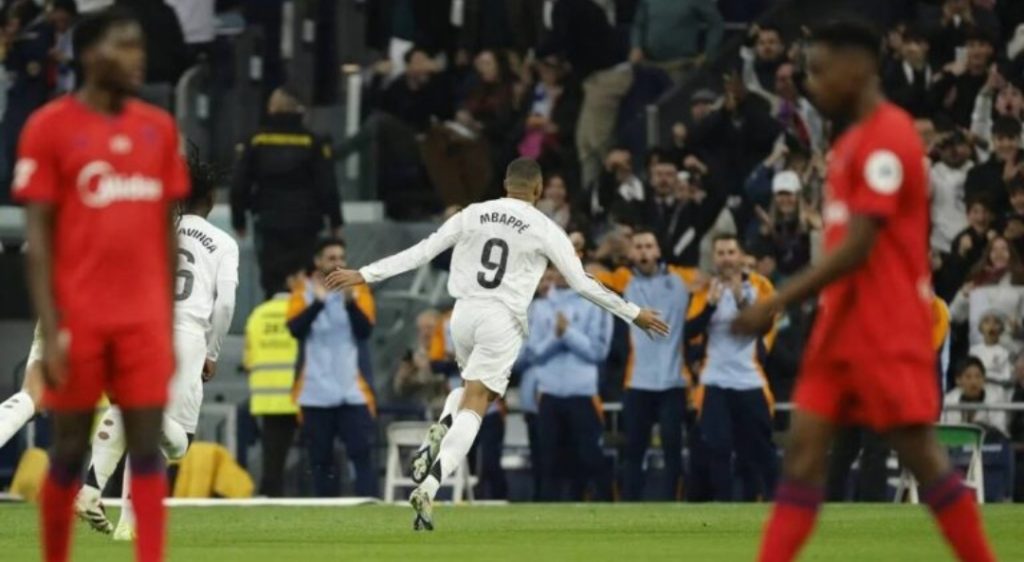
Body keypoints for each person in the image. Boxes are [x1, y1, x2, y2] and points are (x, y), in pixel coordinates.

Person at [731, 21, 995, 562]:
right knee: (803, 457)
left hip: (887, 326)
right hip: (839, 325)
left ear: (857, 68)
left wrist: (778, 299)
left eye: (820, 71)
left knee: (922, 457)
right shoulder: (849, 142)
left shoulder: (889, 137)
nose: (812, 85)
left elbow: (859, 244)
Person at [324, 158, 667, 530]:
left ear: (505, 184)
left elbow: (423, 251)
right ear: (538, 189)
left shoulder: (473, 213)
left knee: (466, 389)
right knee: (478, 402)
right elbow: (583, 283)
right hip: (501, 318)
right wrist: (633, 313)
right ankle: (430, 486)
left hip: (463, 314)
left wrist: (365, 273)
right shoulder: (546, 228)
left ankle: (439, 429)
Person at [14, 8, 189, 562]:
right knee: (68, 448)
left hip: (142, 321)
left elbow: (165, 234)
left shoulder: (158, 128)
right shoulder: (48, 128)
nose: (140, 58)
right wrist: (51, 333)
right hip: (80, 318)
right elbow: (38, 240)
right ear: (90, 54)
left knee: (146, 445)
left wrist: (164, 324)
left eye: (141, 47)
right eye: (126, 46)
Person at [75, 150, 239, 540]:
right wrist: (213, 351)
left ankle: (106, 503)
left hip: (142, 327)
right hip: (186, 336)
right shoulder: (222, 242)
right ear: (211, 197)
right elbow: (226, 303)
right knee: (177, 444)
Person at [595, 230, 696, 501]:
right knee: (633, 451)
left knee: (673, 451)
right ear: (631, 253)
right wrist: (601, 254)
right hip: (637, 382)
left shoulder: (681, 279)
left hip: (673, 382)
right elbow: (585, 276)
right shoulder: (622, 279)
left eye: (649, 246)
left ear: (658, 251)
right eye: (638, 247)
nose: (643, 252)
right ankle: (630, 506)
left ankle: (674, 506)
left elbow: (711, 278)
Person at [688, 234, 778, 502]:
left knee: (760, 449)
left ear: (740, 256)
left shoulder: (759, 286)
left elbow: (765, 327)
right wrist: (710, 306)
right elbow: (688, 331)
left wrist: (741, 301)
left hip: (749, 379)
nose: (726, 259)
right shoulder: (704, 289)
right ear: (713, 258)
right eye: (721, 253)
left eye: (730, 252)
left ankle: (771, 504)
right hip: (714, 380)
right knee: (717, 446)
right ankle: (724, 505)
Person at [230, 87, 342, 298]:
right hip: (306, 222)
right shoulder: (313, 141)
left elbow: (239, 183)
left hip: (269, 221)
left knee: (272, 280)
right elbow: (327, 185)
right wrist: (335, 221)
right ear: (300, 110)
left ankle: (273, 315)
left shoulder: (256, 140)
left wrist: (239, 219)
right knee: (305, 280)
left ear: (271, 108)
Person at [287, 238, 377, 498]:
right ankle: (325, 510)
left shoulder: (358, 289)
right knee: (320, 460)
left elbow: (365, 331)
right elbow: (294, 329)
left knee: (362, 454)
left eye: (341, 257)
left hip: (352, 391)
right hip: (315, 392)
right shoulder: (303, 290)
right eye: (331, 258)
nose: (338, 263)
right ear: (318, 261)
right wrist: (317, 303)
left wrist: (349, 302)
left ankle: (370, 506)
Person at [530, 266, 614, 501]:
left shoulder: (595, 304)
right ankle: (547, 518)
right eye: (557, 268)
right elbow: (533, 352)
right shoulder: (538, 307)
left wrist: (567, 333)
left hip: (583, 394)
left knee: (590, 459)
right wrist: (556, 336)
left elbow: (598, 352)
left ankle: (606, 511)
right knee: (549, 463)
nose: (561, 273)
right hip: (549, 395)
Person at [244, 262, 304, 498]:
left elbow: (248, 361)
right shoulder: (302, 310)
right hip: (301, 396)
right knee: (316, 457)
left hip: (267, 399)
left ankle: (270, 498)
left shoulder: (258, 315)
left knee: (273, 459)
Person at [629, 0, 723, 84]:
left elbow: (716, 24)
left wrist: (709, 53)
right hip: (648, 65)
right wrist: (636, 46)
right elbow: (639, 24)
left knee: (674, 96)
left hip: (680, 67)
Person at [942, 357, 1009, 437]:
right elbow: (943, 430)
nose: (974, 382)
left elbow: (1000, 430)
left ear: (984, 379)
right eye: (968, 377)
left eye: (978, 376)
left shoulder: (994, 399)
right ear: (958, 380)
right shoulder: (948, 400)